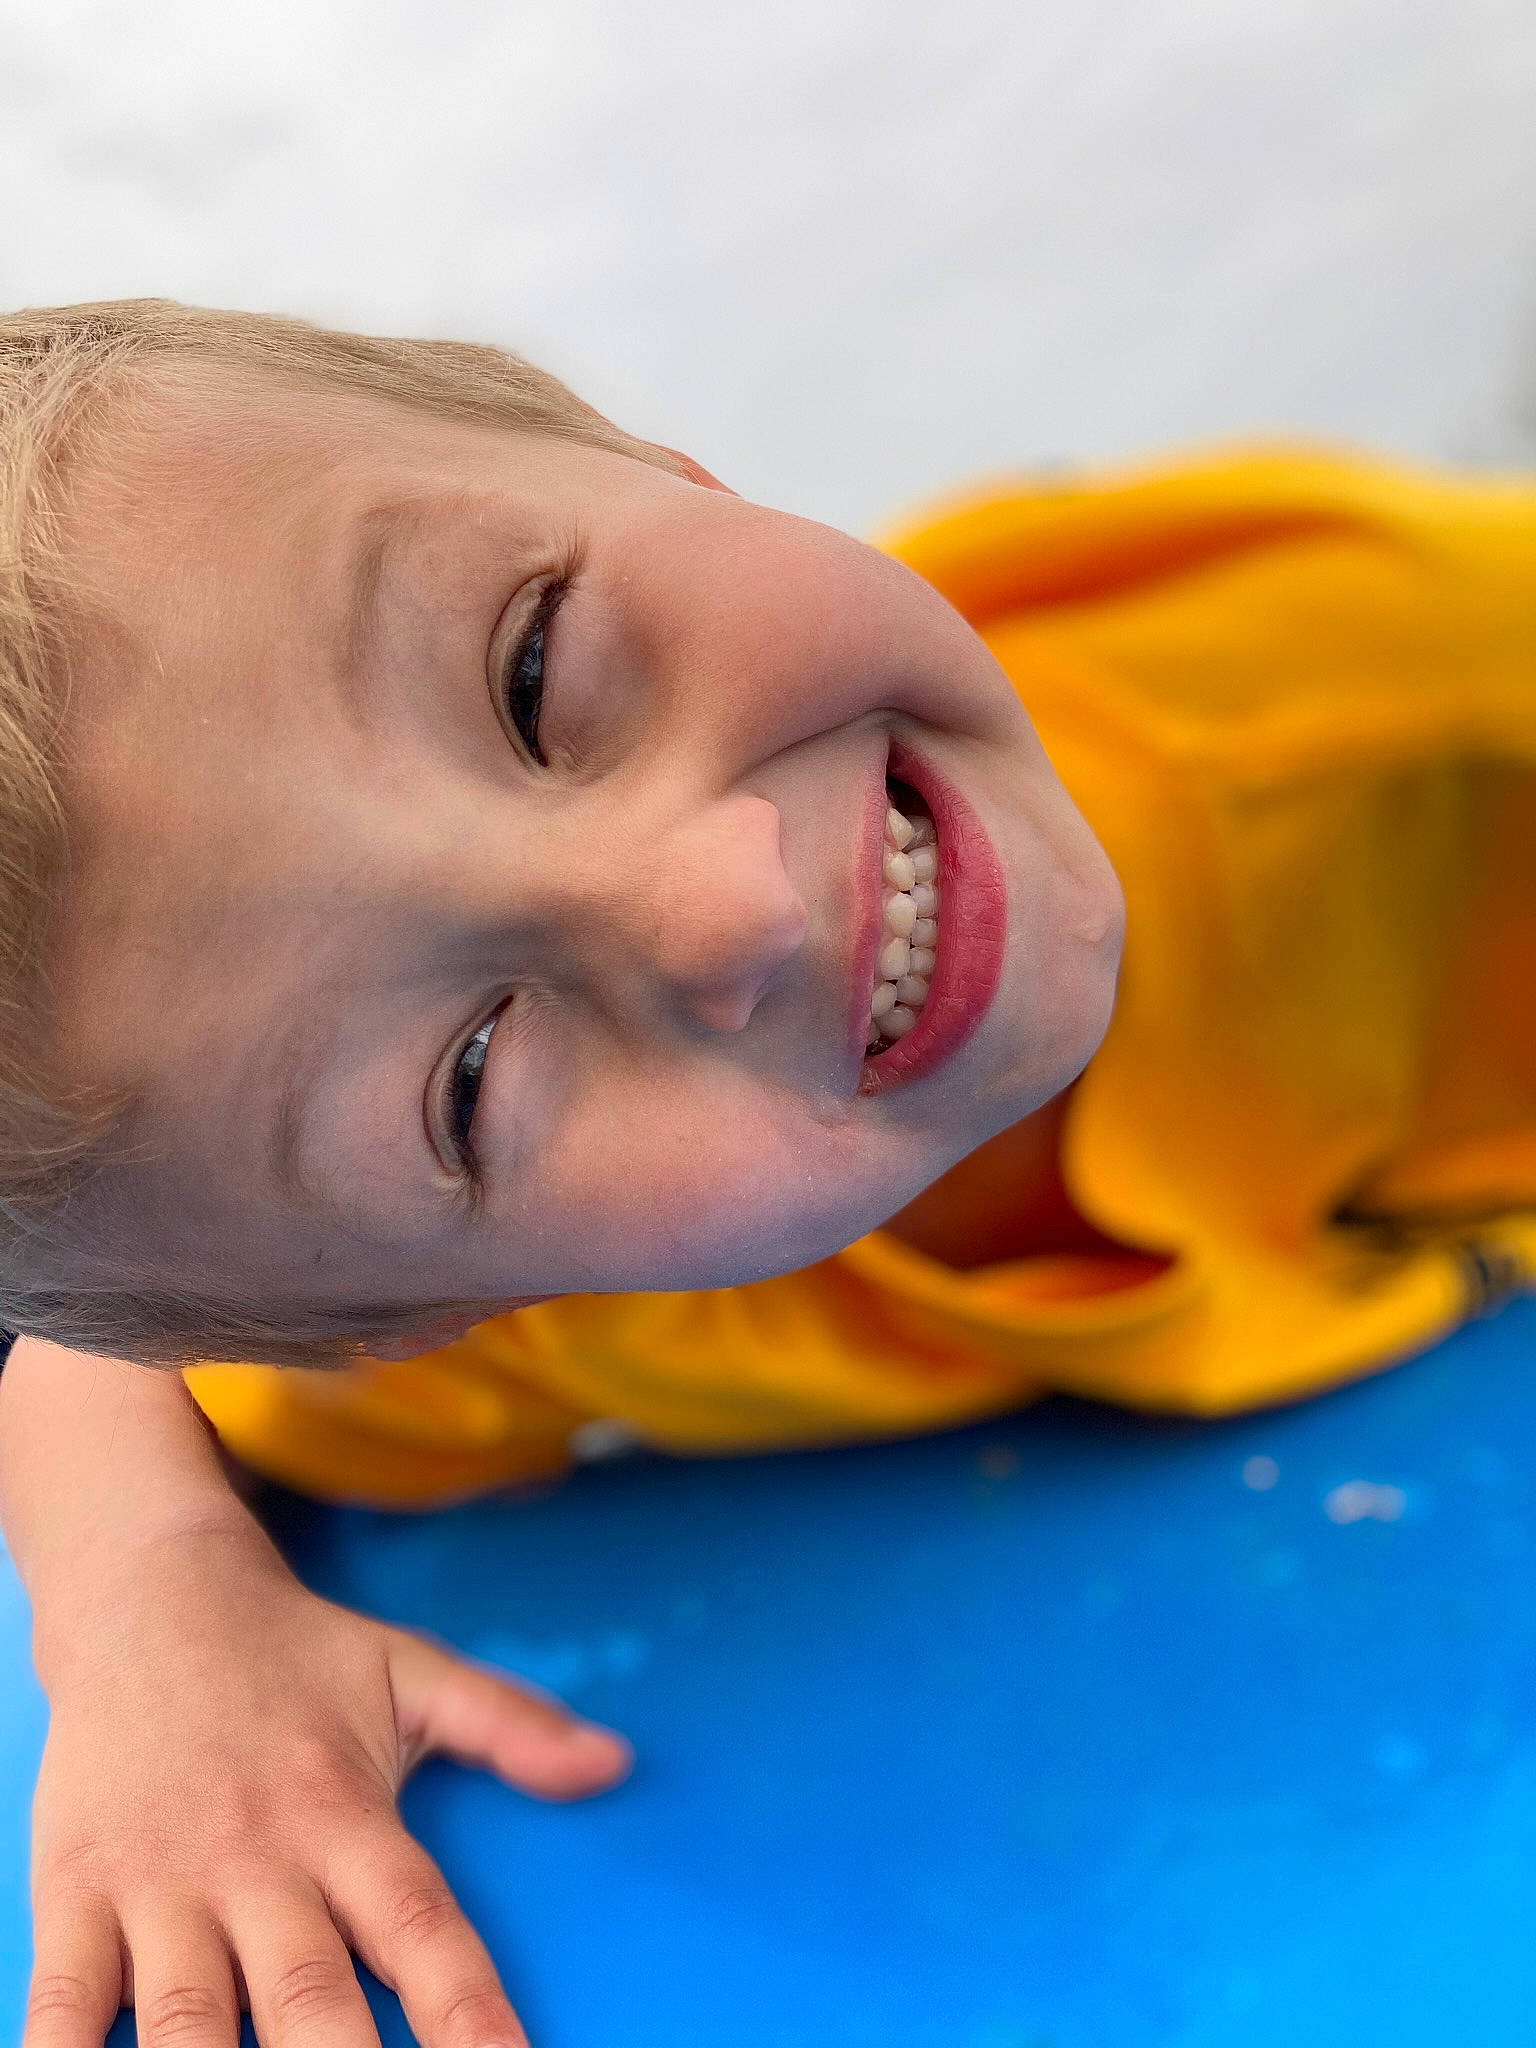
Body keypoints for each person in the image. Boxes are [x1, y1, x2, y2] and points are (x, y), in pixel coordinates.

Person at [0, 299, 1531, 2047]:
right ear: (414, 1315)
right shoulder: (547, 1321)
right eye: (474, 1078)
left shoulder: (1402, 679)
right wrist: (153, 1641)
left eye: (530, 670)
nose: (728, 901)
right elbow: (92, 1368)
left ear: (638, 460)